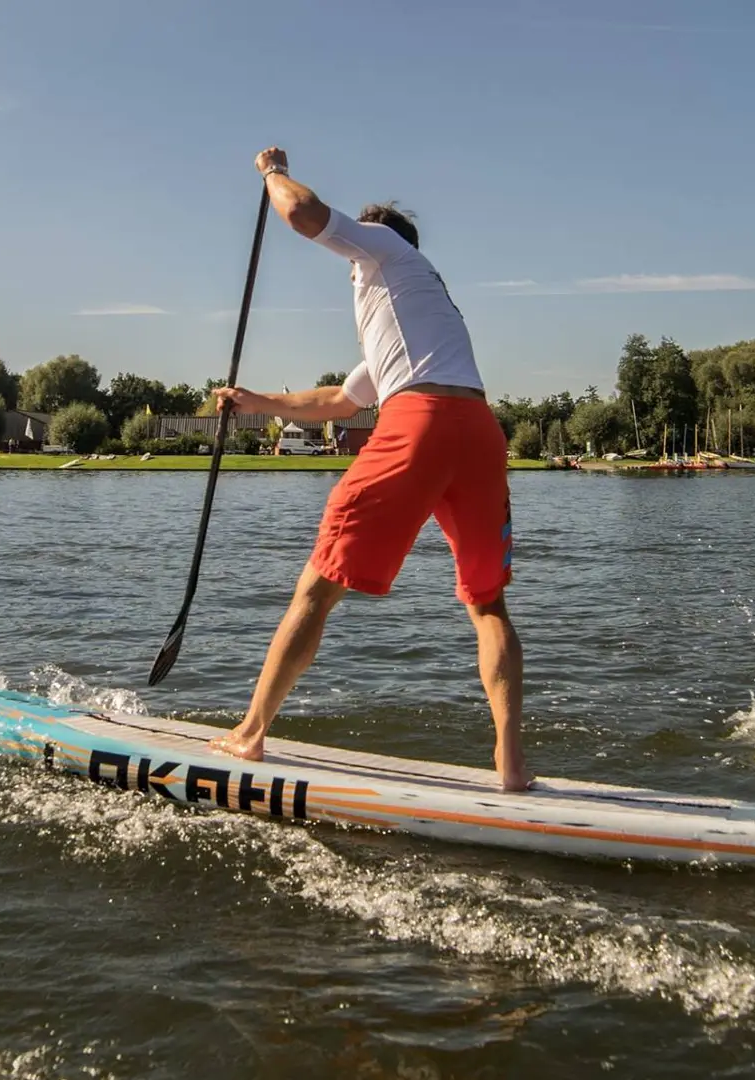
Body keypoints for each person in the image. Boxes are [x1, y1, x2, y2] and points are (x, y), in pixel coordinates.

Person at [206, 147, 527, 792]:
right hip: (479, 433)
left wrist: (270, 170)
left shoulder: (384, 249)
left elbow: (299, 211)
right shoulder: (420, 311)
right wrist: (252, 400)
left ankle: (250, 735)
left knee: (319, 586)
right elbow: (336, 400)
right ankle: (513, 769)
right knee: (488, 602)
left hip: (422, 425)